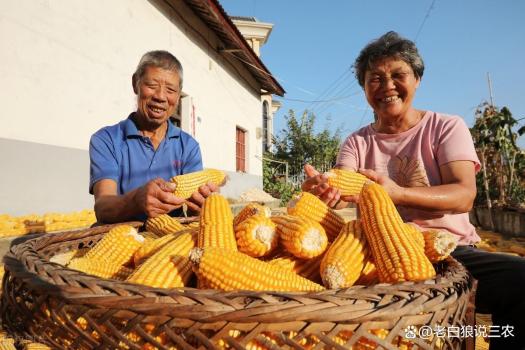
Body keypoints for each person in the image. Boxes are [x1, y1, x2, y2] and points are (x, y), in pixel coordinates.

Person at [302, 31, 525, 349]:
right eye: (375, 79)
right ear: (364, 88)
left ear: (417, 79)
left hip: (450, 251)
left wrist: (398, 194)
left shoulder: (445, 127)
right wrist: (324, 191)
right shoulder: (357, 142)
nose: (387, 86)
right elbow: (342, 181)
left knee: (521, 279)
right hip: (378, 254)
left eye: (398, 75)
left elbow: (464, 195)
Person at [89, 50, 218, 223]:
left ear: (178, 97)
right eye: (151, 85)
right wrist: (136, 201)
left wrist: (205, 205)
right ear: (136, 83)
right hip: (119, 238)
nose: (160, 96)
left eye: (170, 90)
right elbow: (103, 207)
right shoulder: (106, 139)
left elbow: (194, 215)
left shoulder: (188, 146)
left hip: (169, 243)